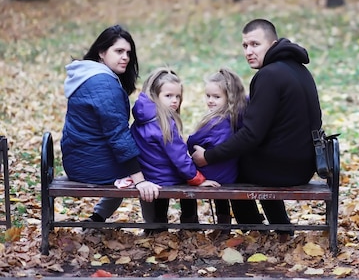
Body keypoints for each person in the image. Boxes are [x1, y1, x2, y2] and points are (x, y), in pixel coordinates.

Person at [192, 19, 322, 236]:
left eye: (255, 44)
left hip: (284, 168)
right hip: (304, 163)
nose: (249, 51)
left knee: (232, 169)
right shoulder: (298, 69)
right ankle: (281, 229)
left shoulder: (268, 75)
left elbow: (251, 134)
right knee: (250, 160)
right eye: (245, 46)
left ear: (272, 44)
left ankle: (253, 229)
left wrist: (209, 156)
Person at [61, 24, 160, 224]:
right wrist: (140, 180)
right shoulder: (104, 84)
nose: (125, 57)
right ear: (101, 52)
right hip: (92, 164)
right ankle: (154, 226)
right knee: (153, 169)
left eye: (128, 53)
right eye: (119, 51)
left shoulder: (87, 75)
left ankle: (97, 218)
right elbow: (118, 135)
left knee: (134, 163)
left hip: (79, 159)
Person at [131, 67, 219, 232]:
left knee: (164, 194)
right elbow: (180, 158)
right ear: (155, 95)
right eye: (168, 96)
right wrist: (198, 179)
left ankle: (158, 226)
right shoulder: (164, 124)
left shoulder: (141, 118)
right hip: (164, 177)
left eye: (178, 96)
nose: (174, 101)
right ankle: (190, 224)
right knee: (188, 181)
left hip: (149, 175)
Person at [187, 68, 248, 229]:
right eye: (208, 96)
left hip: (215, 172)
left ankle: (188, 223)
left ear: (230, 98)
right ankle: (223, 222)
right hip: (227, 173)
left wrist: (192, 140)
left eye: (216, 97)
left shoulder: (218, 122)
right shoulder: (234, 117)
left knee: (183, 174)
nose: (210, 101)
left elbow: (193, 142)